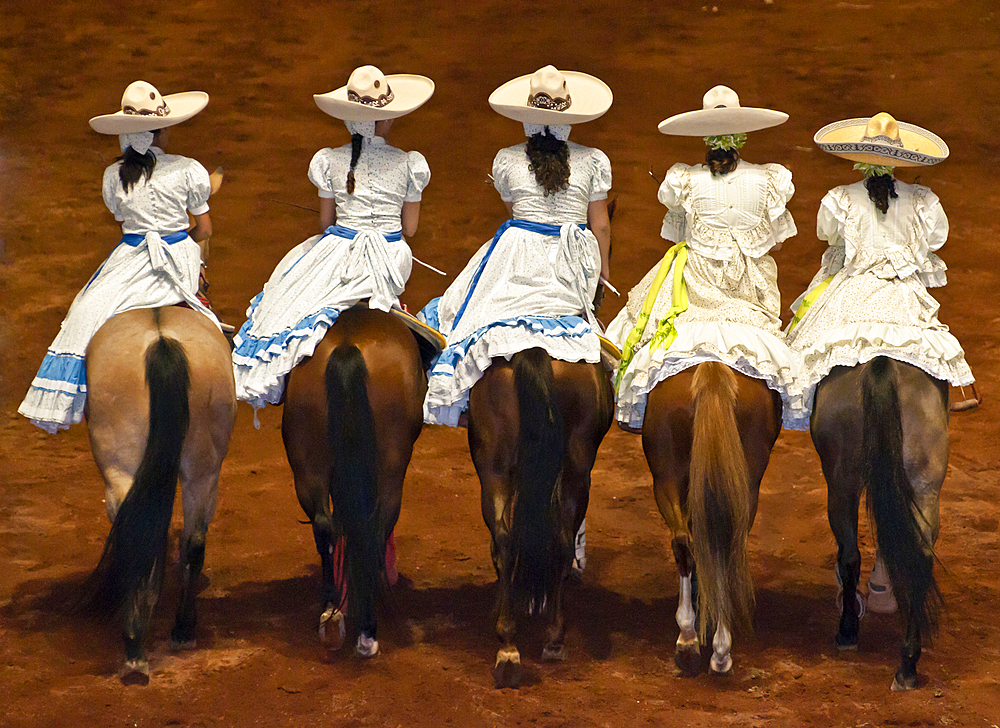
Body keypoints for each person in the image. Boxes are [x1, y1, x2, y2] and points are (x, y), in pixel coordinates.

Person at [18, 81, 220, 433]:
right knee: (204, 315)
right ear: (163, 132)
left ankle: (64, 396)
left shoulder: (114, 175)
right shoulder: (189, 169)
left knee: (85, 310)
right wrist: (184, 238)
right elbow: (203, 229)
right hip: (178, 255)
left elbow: (123, 218)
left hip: (131, 255)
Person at [231, 65, 434, 411]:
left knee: (288, 298)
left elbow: (326, 222)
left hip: (340, 251)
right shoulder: (409, 163)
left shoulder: (329, 160)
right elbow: (410, 229)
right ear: (386, 120)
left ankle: (277, 378)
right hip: (390, 259)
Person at [422, 65, 613, 427]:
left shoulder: (507, 159)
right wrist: (602, 270)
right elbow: (600, 224)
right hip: (570, 260)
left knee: (461, 320)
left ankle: (460, 402)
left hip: (517, 251)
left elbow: (513, 212)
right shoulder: (593, 160)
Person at [608, 85, 799, 431]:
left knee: (629, 328)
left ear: (704, 137)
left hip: (694, 284)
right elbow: (776, 244)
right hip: (748, 292)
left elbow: (679, 233)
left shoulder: (683, 179)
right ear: (741, 133)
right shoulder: (770, 179)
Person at [783, 112, 974, 430]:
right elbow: (937, 240)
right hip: (901, 292)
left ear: (859, 157)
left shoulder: (840, 198)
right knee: (931, 341)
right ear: (899, 159)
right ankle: (960, 388)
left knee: (804, 345)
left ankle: (802, 403)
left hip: (853, 289)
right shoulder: (923, 200)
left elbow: (827, 236)